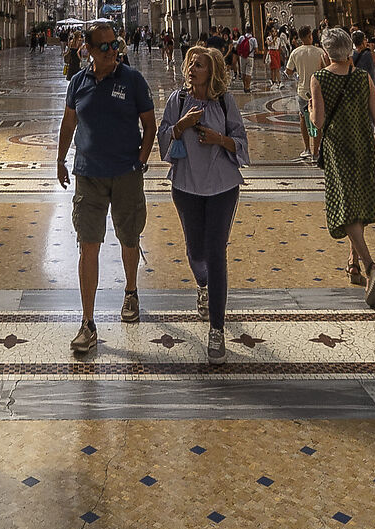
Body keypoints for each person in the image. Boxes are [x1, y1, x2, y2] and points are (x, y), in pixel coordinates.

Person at [57, 24, 157, 356]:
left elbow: (149, 124)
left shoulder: (132, 80)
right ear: (88, 50)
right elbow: (69, 122)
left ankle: (130, 290)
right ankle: (88, 322)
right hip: (88, 174)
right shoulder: (78, 83)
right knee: (88, 244)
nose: (112, 50)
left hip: (126, 172)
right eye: (104, 47)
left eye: (115, 44)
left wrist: (141, 160)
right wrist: (60, 159)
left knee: (129, 237)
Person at [158, 44, 249, 363]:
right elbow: (162, 142)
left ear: (212, 72)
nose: (192, 69)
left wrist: (217, 139)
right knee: (195, 250)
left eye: (199, 65)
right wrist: (181, 125)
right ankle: (203, 284)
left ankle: (217, 329)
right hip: (185, 185)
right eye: (191, 64)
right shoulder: (177, 100)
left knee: (216, 252)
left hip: (223, 186)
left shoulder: (225, 101)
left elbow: (241, 141)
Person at [309, 27, 375, 305]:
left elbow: (318, 122)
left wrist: (311, 108)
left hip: (338, 149)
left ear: (325, 52)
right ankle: (352, 264)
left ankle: (371, 266)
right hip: (364, 147)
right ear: (350, 49)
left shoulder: (320, 78)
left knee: (345, 207)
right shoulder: (363, 78)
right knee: (358, 203)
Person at [286, 26, 326, 155]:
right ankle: (317, 148)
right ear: (310, 35)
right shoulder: (320, 52)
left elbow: (288, 71)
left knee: (303, 118)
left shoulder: (295, 52)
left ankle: (307, 148)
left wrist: (299, 71)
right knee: (318, 119)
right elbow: (326, 69)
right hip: (318, 91)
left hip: (303, 91)